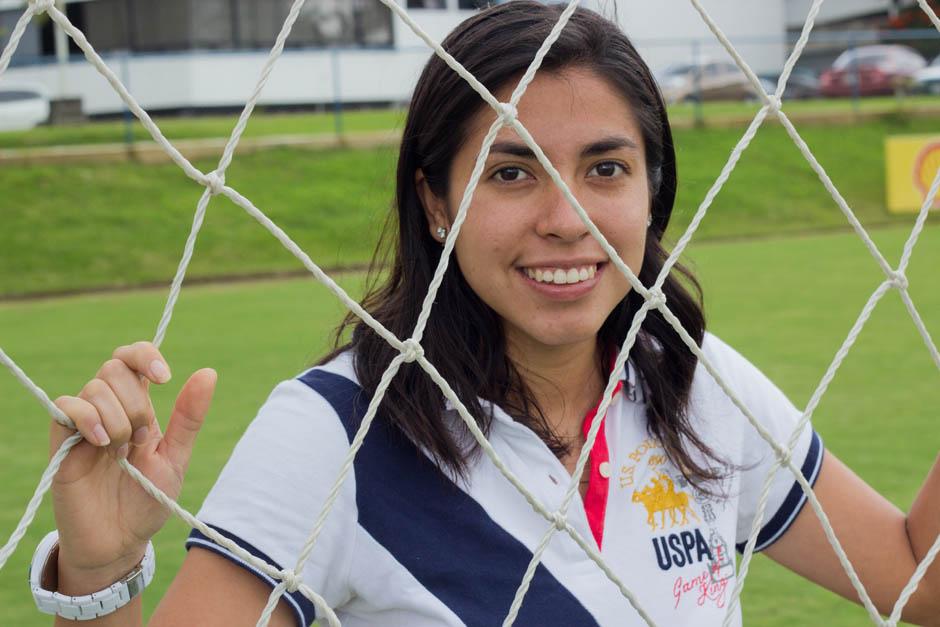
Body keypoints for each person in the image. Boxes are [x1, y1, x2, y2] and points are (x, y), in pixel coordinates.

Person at [36, 2, 939, 626]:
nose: (566, 217)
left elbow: (915, 579)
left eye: (606, 168)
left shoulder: (693, 381)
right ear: (435, 201)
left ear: (653, 191)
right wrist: (99, 572)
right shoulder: (335, 428)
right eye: (512, 172)